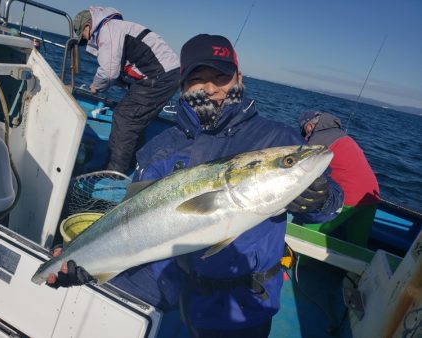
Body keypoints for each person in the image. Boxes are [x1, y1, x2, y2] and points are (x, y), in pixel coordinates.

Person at [47, 34, 343, 337]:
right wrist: (88, 264)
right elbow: (134, 225)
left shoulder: (278, 140)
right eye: (198, 78)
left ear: (239, 77)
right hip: (169, 292)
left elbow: (329, 206)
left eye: (221, 76)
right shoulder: (161, 147)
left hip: (244, 304)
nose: (211, 88)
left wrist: (320, 200)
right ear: (182, 85)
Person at [73, 6, 180, 174]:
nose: (86, 41)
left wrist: (96, 87)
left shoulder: (107, 31)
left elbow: (109, 72)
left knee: (125, 117)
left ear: (87, 26)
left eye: (83, 36)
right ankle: (132, 163)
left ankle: (114, 173)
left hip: (160, 76)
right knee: (134, 119)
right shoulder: (115, 28)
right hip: (164, 74)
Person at [297, 111, 380, 245]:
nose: (304, 136)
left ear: (310, 126)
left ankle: (299, 262)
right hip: (371, 195)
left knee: (304, 239)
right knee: (357, 246)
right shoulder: (343, 136)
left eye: (303, 131)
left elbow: (301, 172)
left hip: (347, 196)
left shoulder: (317, 141)